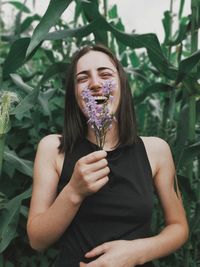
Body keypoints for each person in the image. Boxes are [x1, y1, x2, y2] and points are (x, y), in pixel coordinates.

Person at [27, 44, 189, 267]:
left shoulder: (156, 151)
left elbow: (179, 227)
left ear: (122, 85)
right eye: (83, 78)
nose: (95, 84)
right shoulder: (53, 148)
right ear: (74, 94)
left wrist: (135, 252)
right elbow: (37, 240)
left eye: (105, 74)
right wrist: (74, 191)